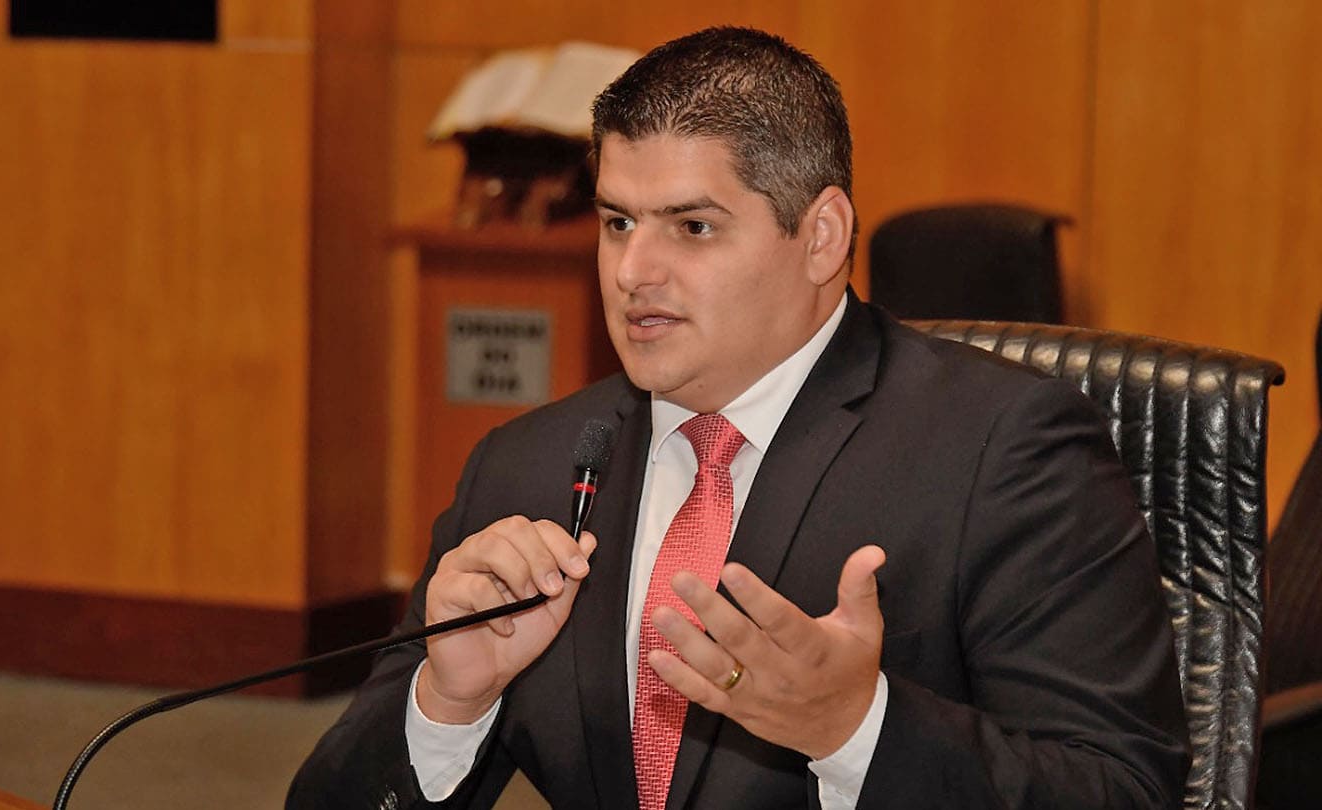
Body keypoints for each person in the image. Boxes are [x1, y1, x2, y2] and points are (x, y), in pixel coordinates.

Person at [288, 26, 1188, 810]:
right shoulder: (525, 467)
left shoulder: (1006, 451)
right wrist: (448, 705)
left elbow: (1119, 789)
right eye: (616, 222)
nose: (633, 272)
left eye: (692, 227)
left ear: (822, 237)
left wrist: (856, 728)